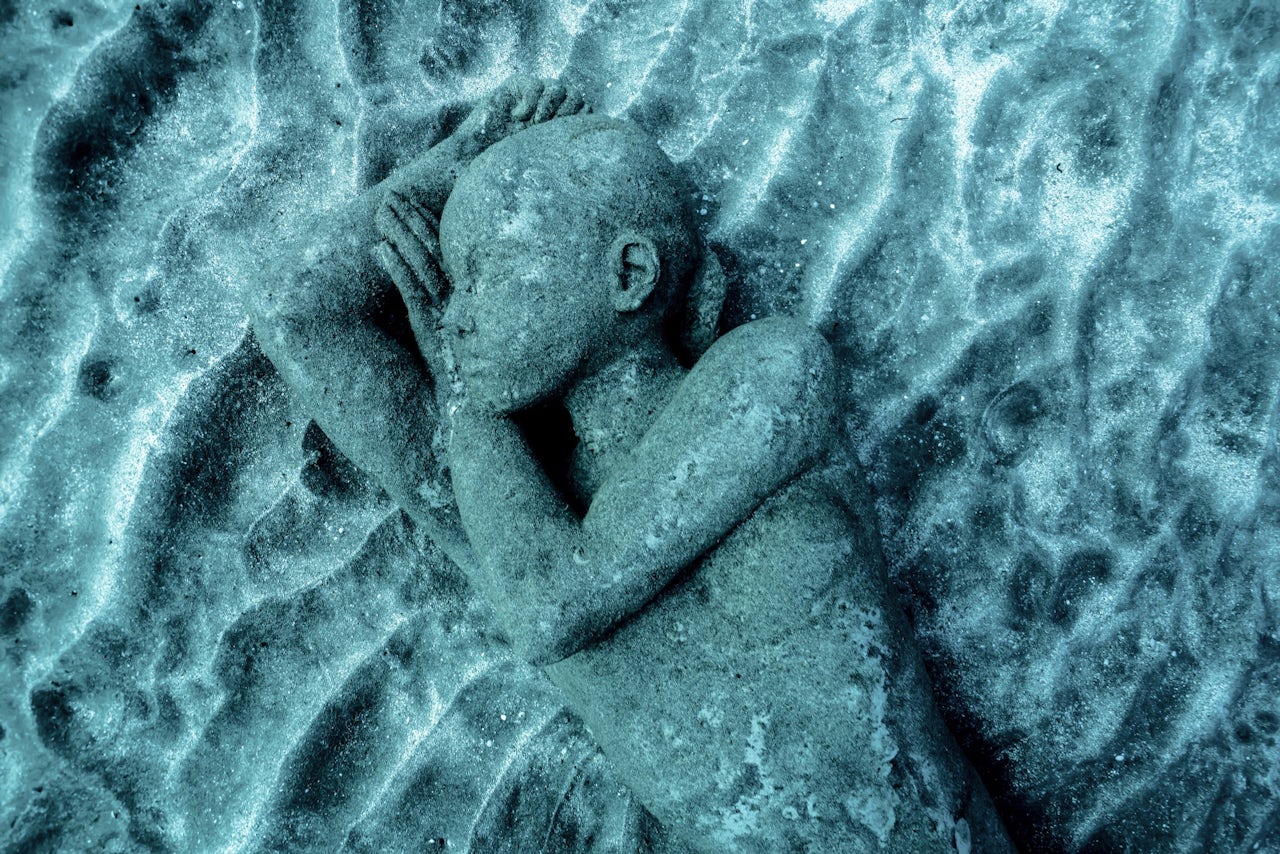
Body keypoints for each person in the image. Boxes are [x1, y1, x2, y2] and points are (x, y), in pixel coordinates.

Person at [371, 92, 1013, 852]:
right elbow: (291, 305)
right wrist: (458, 156)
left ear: (630, 272)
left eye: (486, 272)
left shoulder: (770, 371)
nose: (455, 315)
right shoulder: (509, 508)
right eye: (449, 288)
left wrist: (462, 401)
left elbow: (552, 607)